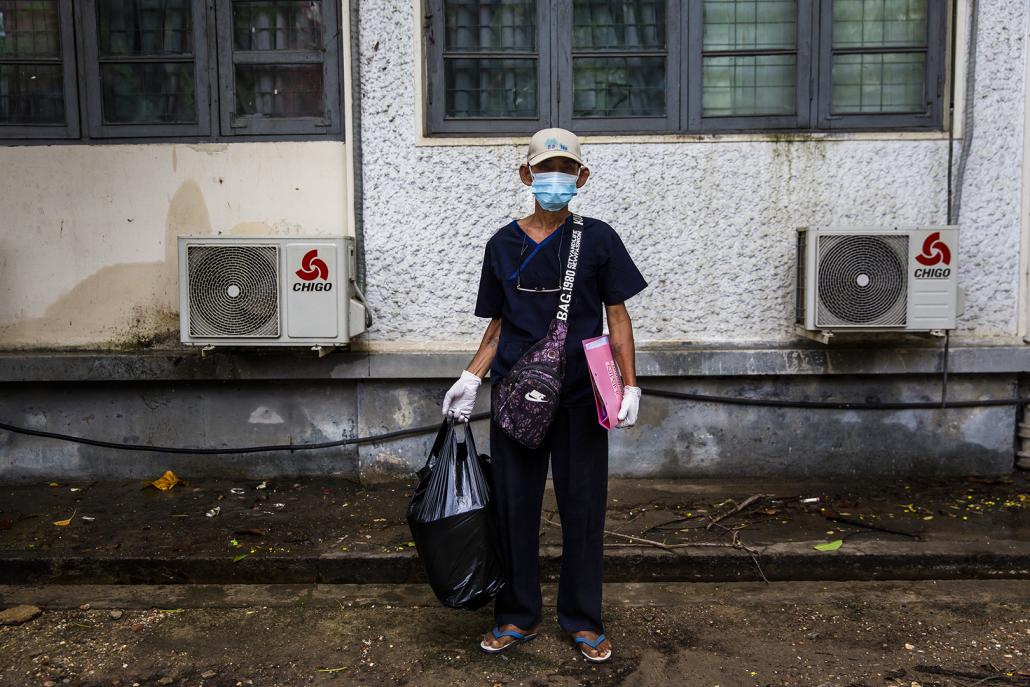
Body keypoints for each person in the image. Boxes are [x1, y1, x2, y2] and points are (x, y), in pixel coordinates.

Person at [441, 128, 647, 664]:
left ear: (581, 178)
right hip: (515, 397)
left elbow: (618, 317)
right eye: (545, 168)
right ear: (525, 175)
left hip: (581, 397)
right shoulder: (501, 244)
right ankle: (515, 614)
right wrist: (470, 377)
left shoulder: (598, 238)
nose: (555, 179)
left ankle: (582, 619)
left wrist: (629, 384)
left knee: (583, 508)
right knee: (513, 507)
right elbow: (498, 324)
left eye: (566, 169)